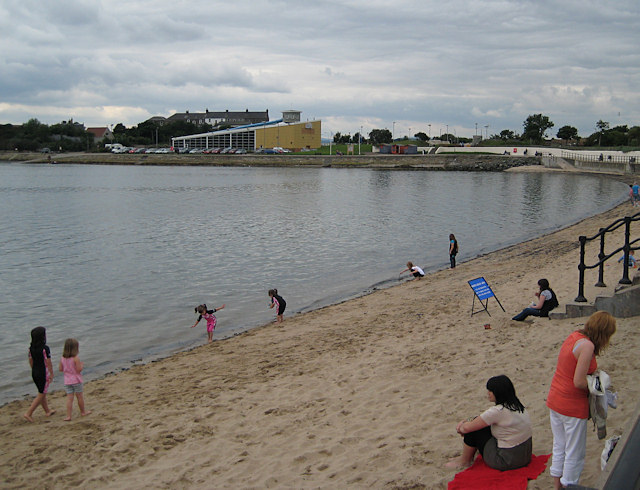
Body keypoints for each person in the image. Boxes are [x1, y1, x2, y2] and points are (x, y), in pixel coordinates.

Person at [546, 311, 616, 489]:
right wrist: (596, 384)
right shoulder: (588, 347)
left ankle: (557, 485)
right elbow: (578, 381)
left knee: (559, 445)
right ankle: (569, 485)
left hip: (555, 399)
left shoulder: (575, 336)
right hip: (572, 405)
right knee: (574, 452)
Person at [445, 375, 532, 470]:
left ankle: (464, 461)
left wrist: (461, 426)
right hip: (525, 455)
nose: (488, 393)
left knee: (474, 431)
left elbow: (467, 428)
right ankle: (465, 457)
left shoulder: (498, 411)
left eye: (490, 391)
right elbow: (482, 419)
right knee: (479, 425)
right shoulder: (517, 406)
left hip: (506, 461)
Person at [23, 326, 55, 422]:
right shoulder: (45, 348)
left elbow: (30, 361)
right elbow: (48, 362)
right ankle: (28, 413)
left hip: (35, 372)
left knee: (42, 392)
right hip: (43, 373)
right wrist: (51, 373)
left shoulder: (31, 348)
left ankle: (47, 411)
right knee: (41, 393)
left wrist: (34, 369)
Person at [59, 338, 91, 421]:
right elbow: (79, 369)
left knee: (69, 398)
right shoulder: (75, 358)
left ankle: (68, 415)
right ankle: (83, 412)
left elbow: (60, 369)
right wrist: (81, 365)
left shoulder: (62, 358)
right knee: (79, 396)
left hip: (67, 380)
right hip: (76, 380)